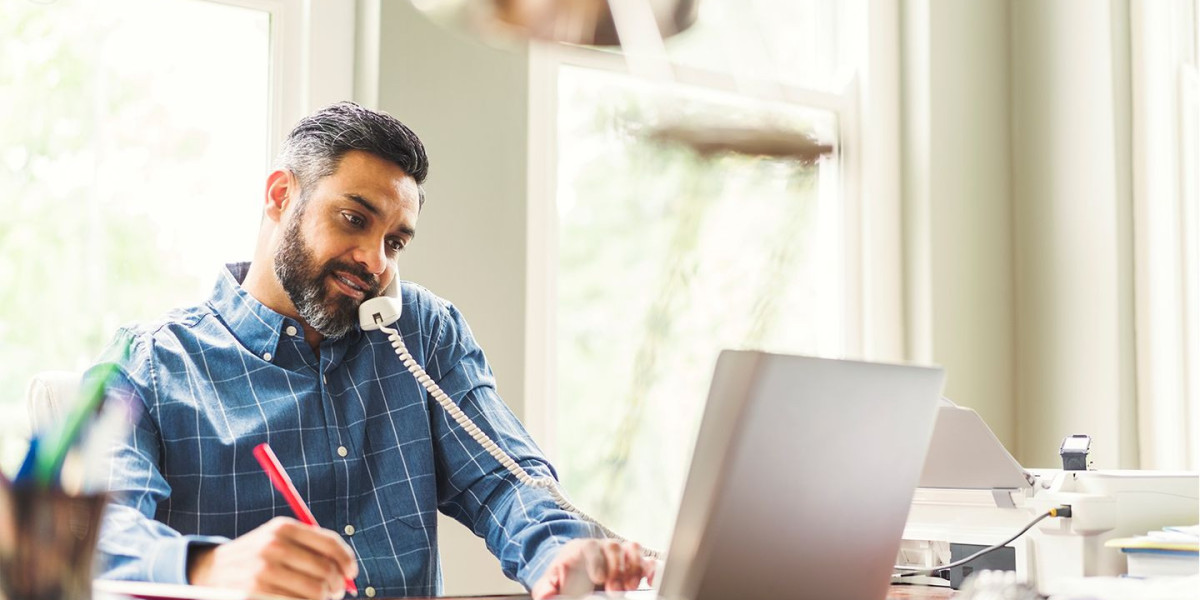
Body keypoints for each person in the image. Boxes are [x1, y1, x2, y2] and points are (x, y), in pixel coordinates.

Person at [95, 102, 651, 600]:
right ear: (281, 196)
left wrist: (559, 551)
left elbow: (504, 478)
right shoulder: (150, 364)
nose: (374, 261)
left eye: (394, 241)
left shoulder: (423, 333)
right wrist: (211, 565)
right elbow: (95, 531)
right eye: (354, 219)